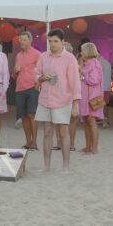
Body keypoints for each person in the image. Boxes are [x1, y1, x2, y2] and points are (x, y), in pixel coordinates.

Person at [34, 29, 81, 173]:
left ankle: (65, 166)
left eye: (55, 41)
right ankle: (46, 165)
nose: (52, 44)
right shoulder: (43, 56)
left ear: (62, 42)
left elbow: (75, 81)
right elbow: (36, 73)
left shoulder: (70, 58)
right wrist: (41, 78)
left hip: (62, 99)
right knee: (47, 132)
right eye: (50, 41)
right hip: (45, 99)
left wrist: (75, 103)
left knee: (63, 133)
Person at [12, 32, 41, 151]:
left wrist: (38, 85)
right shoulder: (18, 55)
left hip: (32, 88)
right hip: (20, 88)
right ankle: (28, 142)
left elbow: (42, 71)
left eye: (24, 40)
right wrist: (15, 71)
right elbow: (14, 75)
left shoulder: (37, 54)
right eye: (21, 40)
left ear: (30, 41)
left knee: (32, 115)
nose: (22, 42)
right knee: (23, 116)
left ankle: (34, 143)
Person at [78, 42, 104, 154]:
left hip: (92, 97)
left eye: (82, 50)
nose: (81, 53)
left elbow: (93, 80)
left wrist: (81, 75)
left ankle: (94, 148)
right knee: (87, 121)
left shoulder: (93, 63)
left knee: (91, 121)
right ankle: (88, 146)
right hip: (86, 96)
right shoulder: (88, 63)